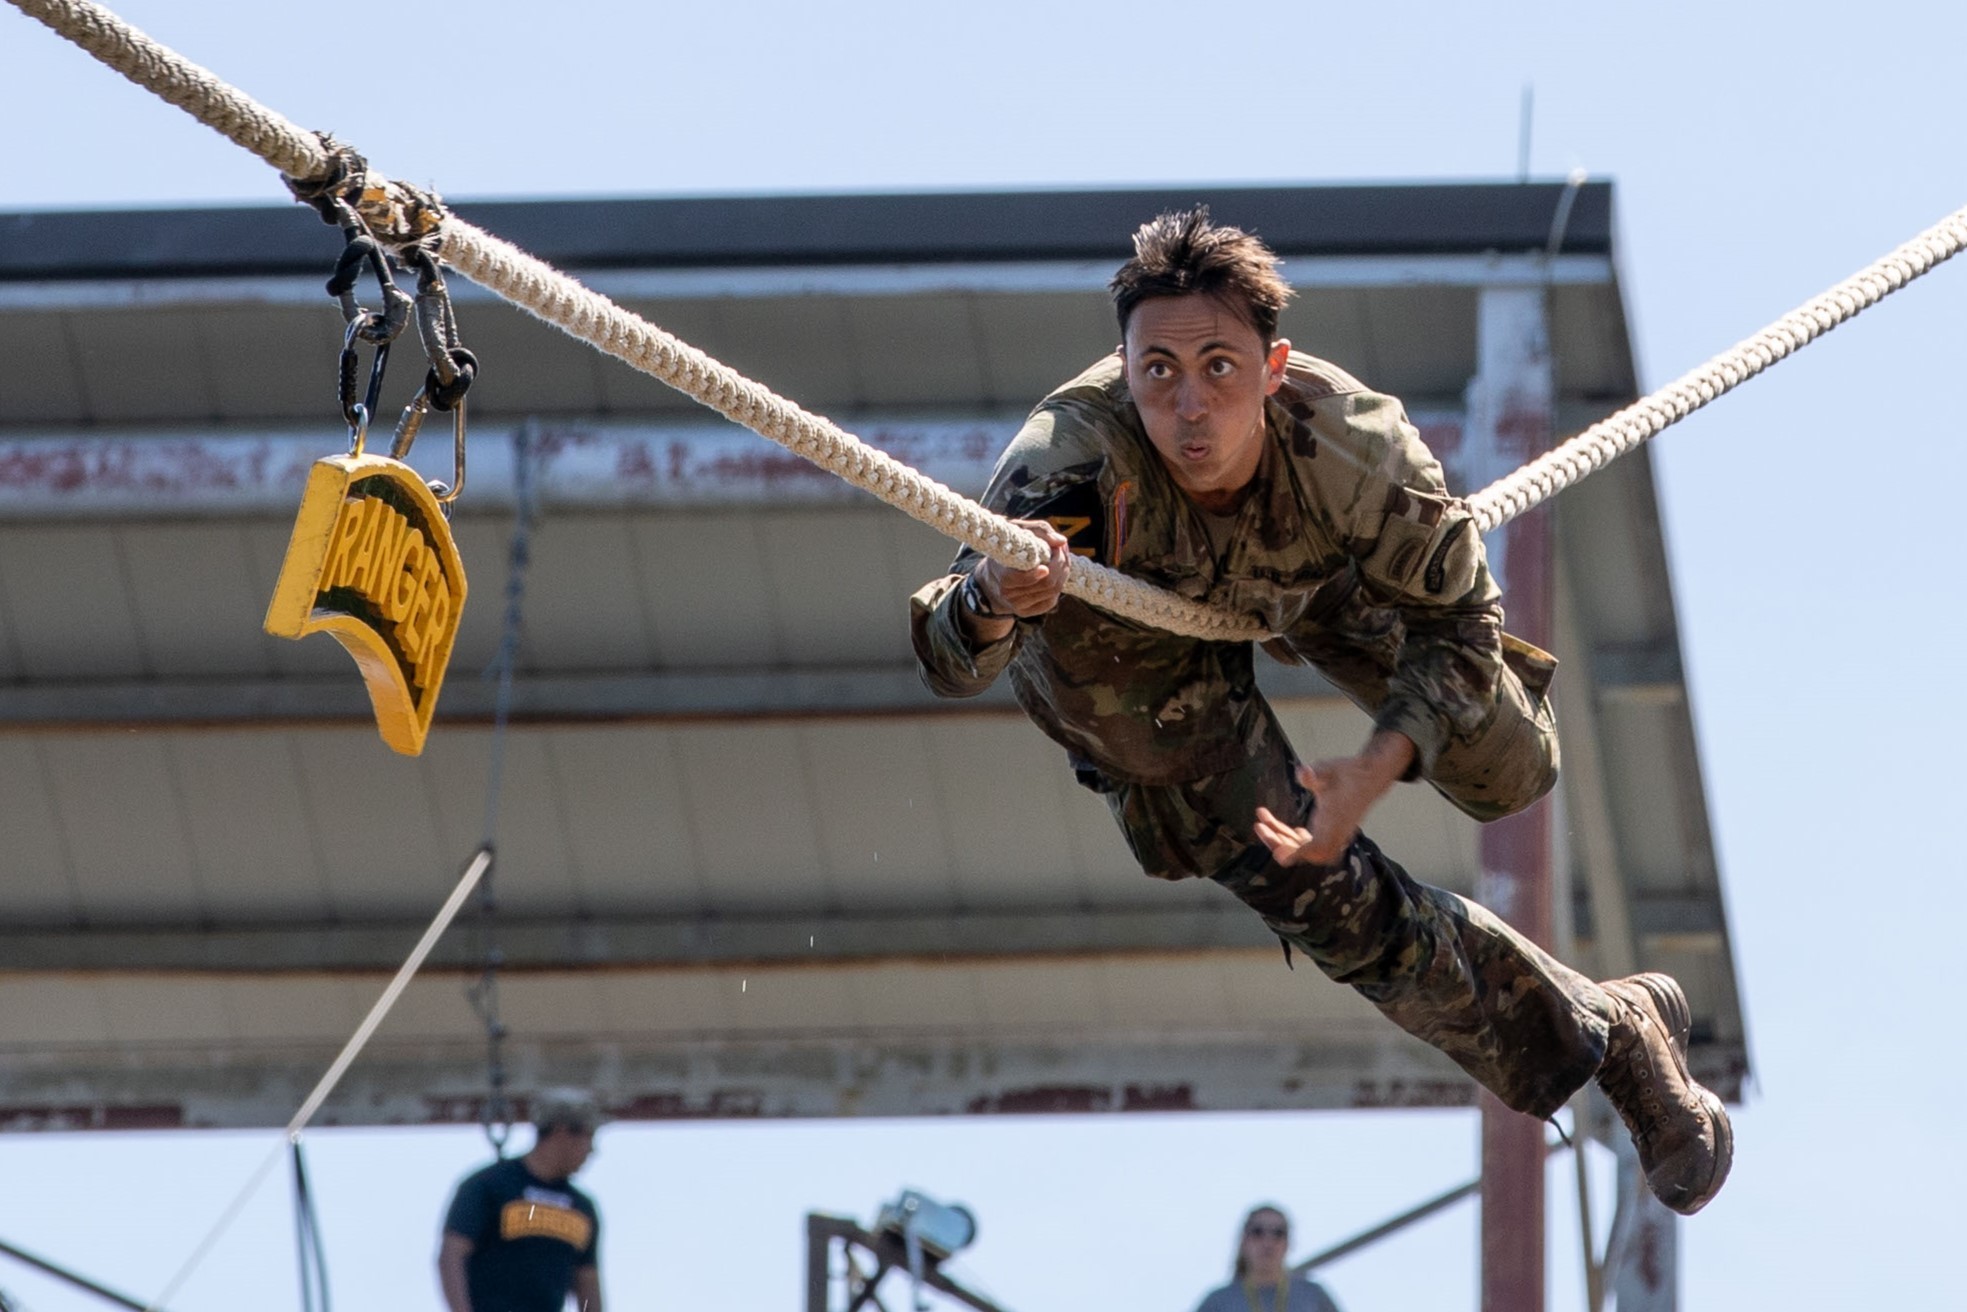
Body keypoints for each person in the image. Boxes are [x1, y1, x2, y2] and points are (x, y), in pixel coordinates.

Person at [909, 208, 1731, 1215]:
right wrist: (995, 600)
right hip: (1151, 668)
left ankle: (1565, 961)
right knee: (1325, 900)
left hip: (1322, 583)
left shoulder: (1351, 444)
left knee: (1507, 763)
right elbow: (949, 654)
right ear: (1122, 369)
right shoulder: (1070, 461)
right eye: (1156, 372)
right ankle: (1609, 1035)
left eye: (1219, 368)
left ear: (1271, 366)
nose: (1188, 406)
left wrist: (1379, 761)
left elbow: (1456, 624)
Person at [438, 1091, 607, 1312]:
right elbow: (452, 1253)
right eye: (588, 1138)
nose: (592, 1151)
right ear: (562, 1132)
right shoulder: (490, 1186)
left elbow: (587, 1281)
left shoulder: (582, 1207)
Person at [1192, 1205, 1341, 1312]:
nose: (1268, 1242)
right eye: (1258, 1232)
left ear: (1288, 1244)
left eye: (1278, 1233)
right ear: (1244, 1241)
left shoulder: (1313, 1296)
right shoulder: (1219, 1302)